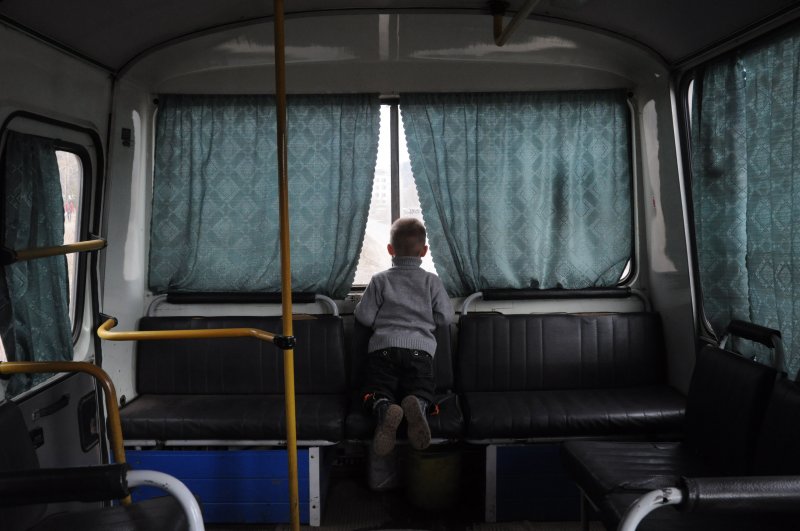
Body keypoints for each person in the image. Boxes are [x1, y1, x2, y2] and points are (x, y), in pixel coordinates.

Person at [354, 217, 454, 456]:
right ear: (424, 251)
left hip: (383, 349)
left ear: (390, 249)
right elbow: (446, 317)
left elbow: (364, 316)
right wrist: (426, 322)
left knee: (376, 389)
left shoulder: (380, 280)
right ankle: (418, 404)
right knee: (422, 388)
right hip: (420, 351)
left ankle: (384, 407)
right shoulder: (431, 281)